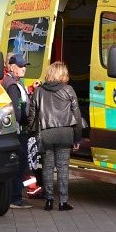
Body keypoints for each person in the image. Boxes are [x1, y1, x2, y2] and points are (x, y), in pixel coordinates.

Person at [27, 61, 82, 211]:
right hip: (65, 133)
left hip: (45, 133)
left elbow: (32, 115)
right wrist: (77, 137)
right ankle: (63, 202)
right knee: (63, 167)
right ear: (63, 75)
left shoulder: (39, 91)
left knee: (47, 167)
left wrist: (31, 133)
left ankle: (49, 201)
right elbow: (76, 116)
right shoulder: (69, 90)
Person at [1, 54, 33, 209]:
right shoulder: (12, 85)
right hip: (19, 130)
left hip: (17, 130)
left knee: (18, 164)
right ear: (11, 67)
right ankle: (15, 198)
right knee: (19, 165)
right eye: (20, 66)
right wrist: (29, 121)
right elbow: (16, 111)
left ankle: (14, 196)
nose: (24, 69)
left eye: (25, 66)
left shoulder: (12, 82)